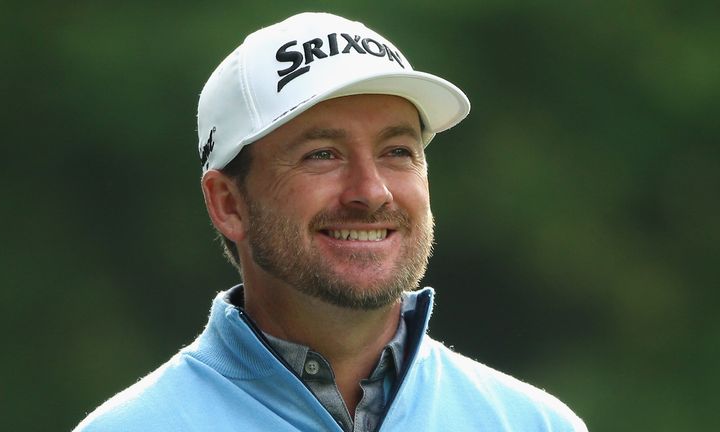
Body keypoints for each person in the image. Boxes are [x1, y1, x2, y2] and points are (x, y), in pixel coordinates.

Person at [74, 12, 588, 432]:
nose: (372, 191)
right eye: (322, 154)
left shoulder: (535, 425)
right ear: (228, 204)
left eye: (397, 151)